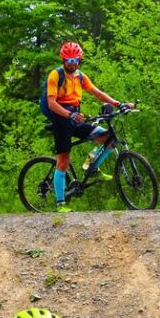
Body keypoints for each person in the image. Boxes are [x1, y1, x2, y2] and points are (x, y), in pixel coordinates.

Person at [43, 42, 131, 207]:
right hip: (61, 120)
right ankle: (60, 204)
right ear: (63, 60)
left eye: (75, 60)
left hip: (75, 118)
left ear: (79, 59)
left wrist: (118, 104)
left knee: (107, 138)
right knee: (63, 161)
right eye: (69, 60)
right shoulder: (55, 75)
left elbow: (97, 92)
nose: (72, 63)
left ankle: (90, 167)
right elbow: (51, 103)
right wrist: (70, 114)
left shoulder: (80, 76)